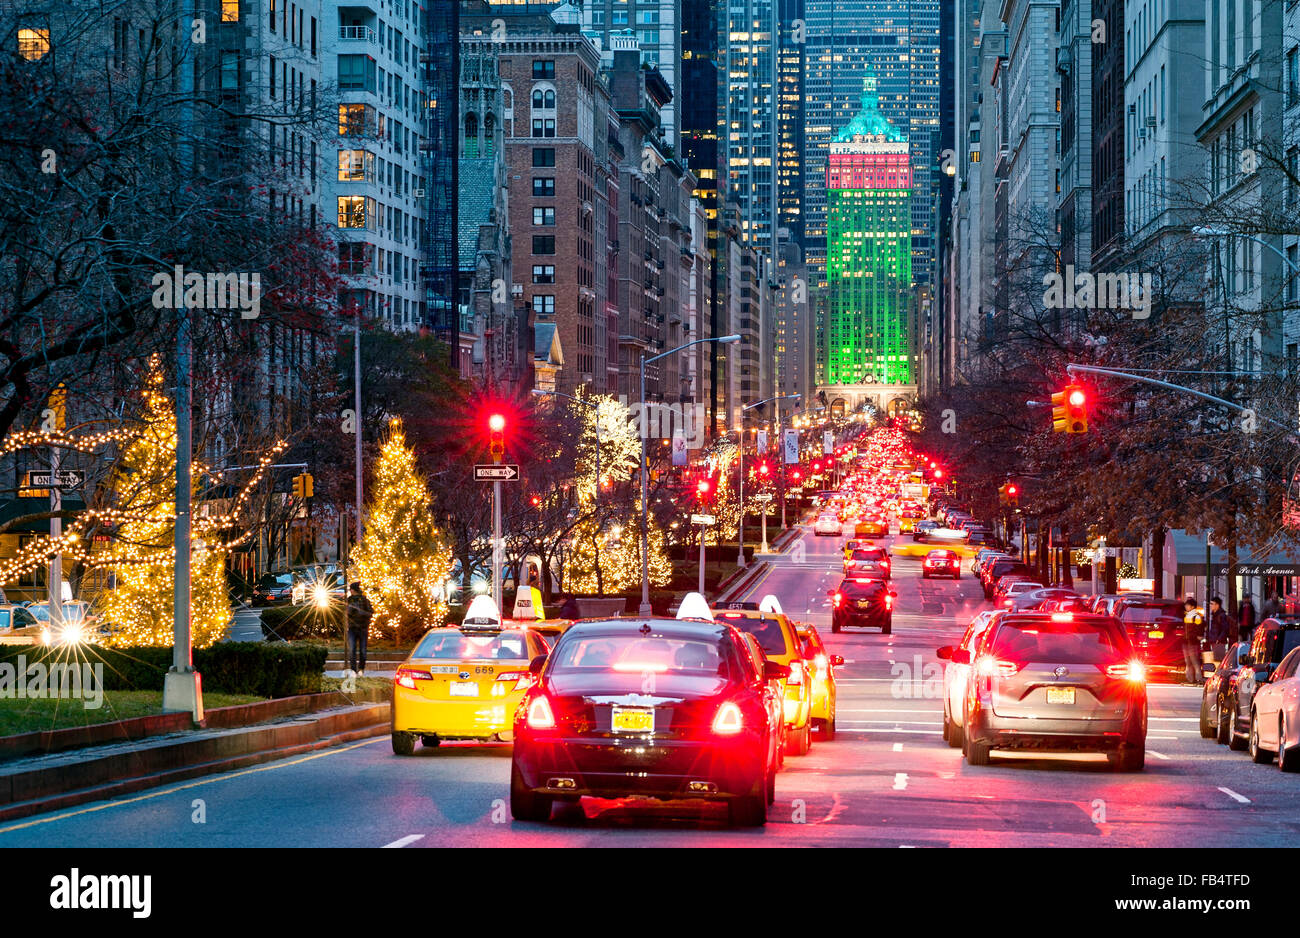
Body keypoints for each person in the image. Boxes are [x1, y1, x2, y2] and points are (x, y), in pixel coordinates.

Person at [345, 582, 373, 676]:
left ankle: (361, 669)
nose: (350, 591)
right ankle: (353, 670)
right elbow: (345, 613)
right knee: (352, 650)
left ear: (353, 590)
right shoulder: (349, 600)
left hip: (363, 628)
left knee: (363, 651)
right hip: (352, 628)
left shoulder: (364, 600)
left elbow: (370, 613)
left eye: (351, 589)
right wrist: (349, 611)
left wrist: (361, 612)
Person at [1182, 596, 1206, 684]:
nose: (1186, 607)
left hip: (1192, 642)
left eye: (1187, 605)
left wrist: (1198, 636)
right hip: (1186, 641)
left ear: (1192, 607)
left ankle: (1197, 678)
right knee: (1188, 661)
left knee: (1194, 661)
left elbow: (1200, 629)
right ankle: (1190, 679)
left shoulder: (1196, 616)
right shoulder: (1187, 615)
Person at [1206, 596, 1232, 664]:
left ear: (1217, 605)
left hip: (1218, 642)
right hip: (1215, 641)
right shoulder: (1215, 615)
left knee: (1219, 661)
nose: (1210, 605)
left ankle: (1220, 674)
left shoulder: (1221, 615)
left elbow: (1225, 628)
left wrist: (1219, 639)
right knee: (1216, 660)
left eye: (1212, 604)